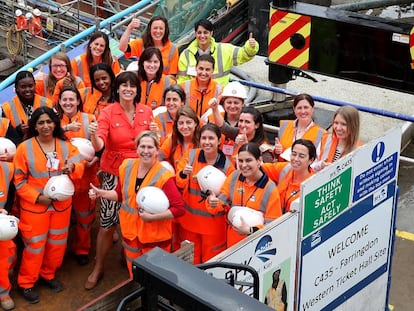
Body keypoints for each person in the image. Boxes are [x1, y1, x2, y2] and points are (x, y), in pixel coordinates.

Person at [86, 71, 152, 290]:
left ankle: (129, 257)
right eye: (123, 85)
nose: (128, 89)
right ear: (117, 89)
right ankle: (99, 267)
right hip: (114, 174)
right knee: (107, 224)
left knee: (134, 219)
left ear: (137, 90)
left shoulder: (147, 112)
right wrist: (94, 135)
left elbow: (153, 142)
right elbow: (99, 145)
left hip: (140, 174)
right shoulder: (107, 112)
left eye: (132, 86)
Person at [88, 131, 185, 276]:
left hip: (154, 239)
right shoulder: (126, 167)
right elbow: (120, 195)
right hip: (130, 235)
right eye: (142, 147)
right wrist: (101, 193)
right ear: (137, 148)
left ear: (157, 150)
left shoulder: (164, 176)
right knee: (135, 273)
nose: (146, 151)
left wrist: (152, 218)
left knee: (155, 278)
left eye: (150, 147)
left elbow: (179, 209)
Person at [13, 106, 84, 304]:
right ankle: (26, 283)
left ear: (55, 123)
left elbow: (80, 162)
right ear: (34, 126)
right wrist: (38, 197)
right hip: (35, 207)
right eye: (41, 122)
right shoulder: (24, 148)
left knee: (57, 243)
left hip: (61, 206)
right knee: (35, 246)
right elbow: (19, 182)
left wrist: (73, 167)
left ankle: (48, 274)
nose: (45, 126)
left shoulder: (65, 145)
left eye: (49, 122)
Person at [175, 123, 235, 263]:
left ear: (219, 141)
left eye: (211, 138)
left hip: (213, 228)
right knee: (189, 264)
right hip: (189, 224)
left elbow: (228, 197)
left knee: (211, 265)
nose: (207, 142)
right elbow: (179, 183)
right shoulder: (190, 156)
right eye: (204, 138)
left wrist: (217, 202)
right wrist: (183, 174)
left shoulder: (228, 166)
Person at [206, 142, 282, 247]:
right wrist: (213, 202)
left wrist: (250, 230)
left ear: (259, 161)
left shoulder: (270, 189)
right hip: (232, 243)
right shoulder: (234, 177)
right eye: (240, 161)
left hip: (256, 246)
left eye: (248, 160)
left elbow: (273, 226)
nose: (244, 165)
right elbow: (221, 203)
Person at [56, 86, 99, 265]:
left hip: (85, 179)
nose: (68, 103)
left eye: (71, 99)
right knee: (60, 220)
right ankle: (59, 254)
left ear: (78, 101)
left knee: (84, 218)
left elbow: (101, 146)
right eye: (64, 99)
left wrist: (95, 159)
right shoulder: (54, 121)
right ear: (59, 102)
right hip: (62, 179)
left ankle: (82, 249)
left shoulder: (90, 120)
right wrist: (65, 128)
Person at [177, 18, 259, 86]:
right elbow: (182, 81)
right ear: (195, 34)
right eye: (199, 33)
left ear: (211, 33)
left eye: (205, 32)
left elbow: (244, 54)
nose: (202, 36)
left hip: (220, 96)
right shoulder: (186, 55)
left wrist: (250, 47)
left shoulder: (224, 50)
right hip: (196, 98)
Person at [262, 139, 316, 213]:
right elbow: (258, 168)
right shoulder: (286, 168)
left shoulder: (313, 184)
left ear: (311, 160)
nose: (296, 159)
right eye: (294, 154)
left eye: (301, 156)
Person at [210, 105, 274, 163]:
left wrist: (246, 146)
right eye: (241, 121)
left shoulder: (264, 149)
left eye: (247, 122)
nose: (242, 125)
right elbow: (223, 127)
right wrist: (215, 109)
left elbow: (266, 170)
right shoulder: (237, 133)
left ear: (256, 125)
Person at [273, 93, 326, 162]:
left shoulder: (322, 134)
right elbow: (276, 156)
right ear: (294, 109)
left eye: (306, 107)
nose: (303, 111)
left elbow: (318, 161)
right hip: (282, 169)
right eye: (299, 108)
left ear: (312, 109)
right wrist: (276, 151)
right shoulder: (284, 125)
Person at [1, 71, 53, 140]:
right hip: (19, 146)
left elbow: (54, 128)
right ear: (16, 88)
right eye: (23, 87)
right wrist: (18, 131)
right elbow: (5, 138)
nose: (27, 90)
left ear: (35, 85)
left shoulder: (47, 103)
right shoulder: (6, 108)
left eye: (30, 86)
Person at [315, 105, 362, 171]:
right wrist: (321, 165)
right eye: (336, 123)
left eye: (343, 124)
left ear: (353, 126)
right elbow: (312, 165)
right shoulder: (326, 139)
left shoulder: (360, 150)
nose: (338, 128)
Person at [208, 81, 247, 157]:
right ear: (224, 103)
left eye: (236, 103)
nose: (232, 106)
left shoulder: (248, 122)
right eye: (229, 102)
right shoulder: (212, 117)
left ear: (242, 104)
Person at [179, 54, 222, 119]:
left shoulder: (220, 90)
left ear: (213, 70)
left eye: (207, 70)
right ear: (196, 68)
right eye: (201, 69)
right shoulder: (183, 87)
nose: (203, 73)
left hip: (210, 127)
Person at [159, 105, 200, 170]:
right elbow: (158, 157)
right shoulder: (172, 140)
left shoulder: (202, 141)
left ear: (195, 123)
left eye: (188, 122)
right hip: (175, 177)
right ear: (177, 125)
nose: (185, 127)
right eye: (181, 123)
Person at [0, 162, 16, 311]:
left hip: (1, 223)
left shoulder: (6, 168)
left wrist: (6, 211)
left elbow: (11, 193)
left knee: (4, 259)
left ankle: (3, 293)